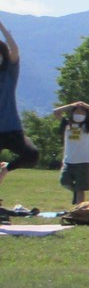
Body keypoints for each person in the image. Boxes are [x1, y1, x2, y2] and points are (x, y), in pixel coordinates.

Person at [0, 20, 41, 190]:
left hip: (12, 129)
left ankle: (5, 169)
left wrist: (2, 27)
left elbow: (15, 49)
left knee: (32, 155)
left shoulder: (9, 73)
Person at [53, 100, 89, 205]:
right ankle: (75, 192)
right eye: (77, 112)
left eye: (82, 112)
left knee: (81, 188)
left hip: (83, 161)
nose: (79, 114)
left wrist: (87, 106)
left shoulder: (88, 125)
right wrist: (71, 105)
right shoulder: (67, 124)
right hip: (69, 160)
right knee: (64, 182)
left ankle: (79, 210)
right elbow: (56, 112)